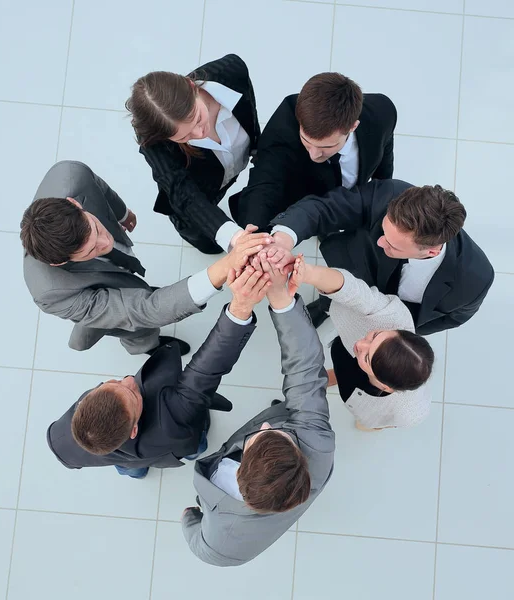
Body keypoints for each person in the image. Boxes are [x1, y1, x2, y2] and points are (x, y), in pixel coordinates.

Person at [21, 161, 271, 355]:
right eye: (90, 251)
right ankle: (148, 347)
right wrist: (225, 267)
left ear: (74, 204)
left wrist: (121, 214)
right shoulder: (51, 293)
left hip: (95, 283)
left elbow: (99, 186)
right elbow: (143, 309)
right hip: (90, 296)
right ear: (60, 262)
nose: (107, 242)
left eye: (96, 229)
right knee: (136, 328)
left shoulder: (69, 173)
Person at [182, 258, 335, 567]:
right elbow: (305, 368)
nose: (264, 424)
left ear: (240, 473)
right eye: (277, 433)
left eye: (259, 436)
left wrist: (189, 518)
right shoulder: (318, 444)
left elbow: (203, 548)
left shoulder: (223, 545)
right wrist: (281, 298)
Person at [47, 266, 272, 476]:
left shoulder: (60, 438)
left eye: (114, 382)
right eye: (132, 394)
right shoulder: (171, 418)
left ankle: (134, 470)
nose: (128, 379)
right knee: (195, 443)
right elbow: (208, 366)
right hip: (171, 444)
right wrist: (241, 306)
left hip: (119, 453)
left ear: (81, 406)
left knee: (127, 466)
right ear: (134, 430)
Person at [268, 180, 494, 335]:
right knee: (336, 294)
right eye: (384, 231)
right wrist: (283, 238)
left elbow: (454, 318)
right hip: (359, 268)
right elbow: (324, 208)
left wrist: (396, 328)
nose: (379, 241)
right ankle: (324, 307)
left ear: (431, 251)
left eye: (393, 245)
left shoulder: (475, 281)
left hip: (394, 314)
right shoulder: (389, 194)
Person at [127, 54, 260, 254]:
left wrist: (258, 148)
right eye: (185, 136)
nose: (200, 133)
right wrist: (232, 236)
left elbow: (249, 107)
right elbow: (184, 193)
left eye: (197, 118)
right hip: (195, 193)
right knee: (207, 243)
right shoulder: (154, 144)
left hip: (229, 169)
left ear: (191, 86)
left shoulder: (232, 70)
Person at [234, 71, 397, 230]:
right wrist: (255, 233)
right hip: (303, 197)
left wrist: (382, 197)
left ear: (353, 126)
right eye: (306, 141)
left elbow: (386, 147)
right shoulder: (284, 123)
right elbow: (266, 178)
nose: (314, 154)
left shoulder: (382, 112)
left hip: (350, 198)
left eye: (327, 147)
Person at [290, 254, 434, 430]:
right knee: (341, 362)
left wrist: (374, 425)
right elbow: (354, 291)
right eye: (375, 336)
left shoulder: (409, 412)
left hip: (359, 391)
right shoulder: (393, 315)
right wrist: (309, 273)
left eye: (367, 357)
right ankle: (335, 376)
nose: (359, 344)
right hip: (347, 360)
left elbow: (392, 422)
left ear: (385, 386)